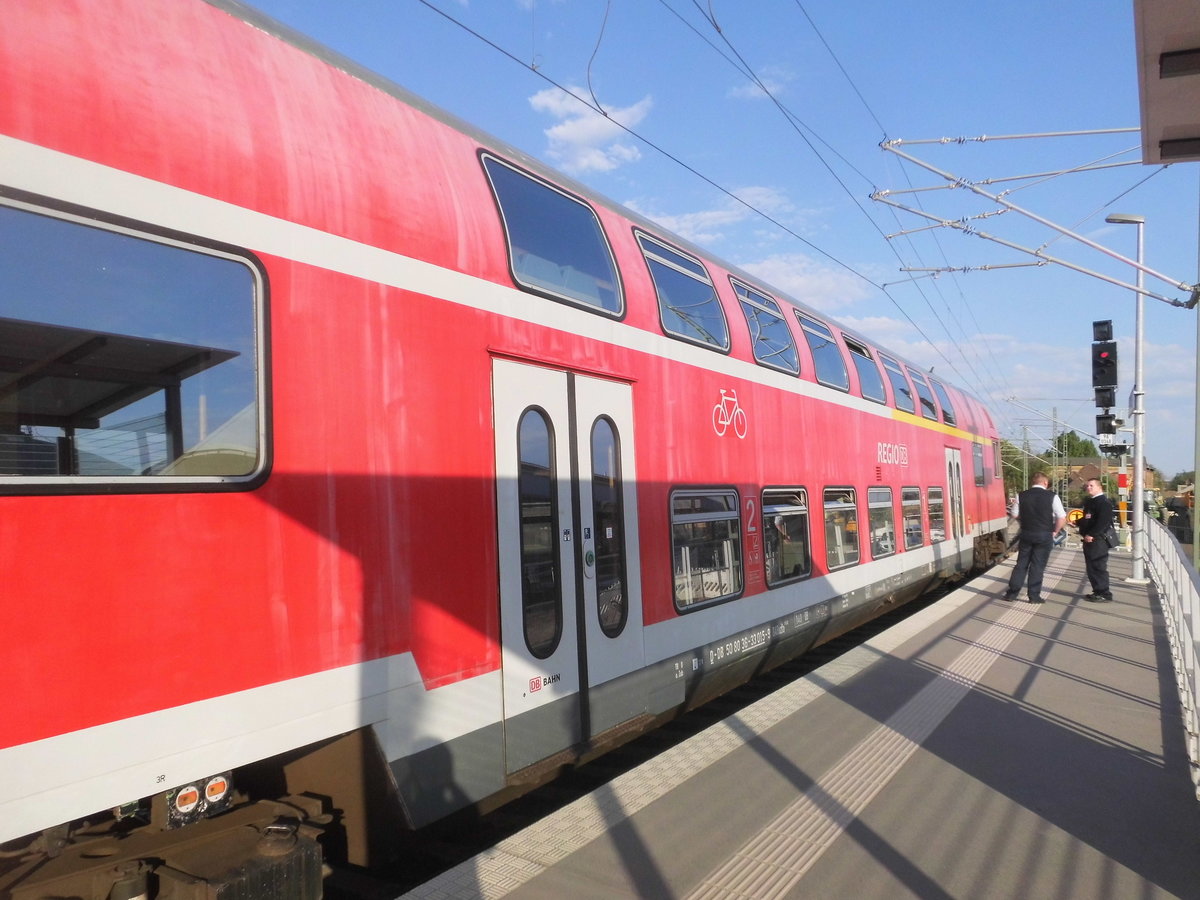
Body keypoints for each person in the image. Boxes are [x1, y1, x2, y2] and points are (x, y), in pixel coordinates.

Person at [1003, 472, 1066, 604]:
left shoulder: (1021, 495)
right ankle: (1034, 596)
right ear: (1045, 483)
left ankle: (1011, 593)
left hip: (1027, 533)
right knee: (1038, 566)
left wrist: (1026, 518)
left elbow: (1014, 514)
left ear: (1033, 482)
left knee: (1021, 564)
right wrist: (1055, 530)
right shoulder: (1052, 496)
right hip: (1044, 534)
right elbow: (1061, 517)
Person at [1077, 476, 1115, 602]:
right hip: (1089, 540)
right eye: (1087, 486)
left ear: (1099, 487)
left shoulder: (1104, 503)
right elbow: (1088, 519)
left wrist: (1092, 534)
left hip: (1098, 540)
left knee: (1098, 566)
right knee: (1091, 567)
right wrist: (1077, 523)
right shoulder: (1090, 502)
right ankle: (1097, 591)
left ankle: (1104, 593)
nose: (1088, 488)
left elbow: (1103, 522)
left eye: (1091, 486)